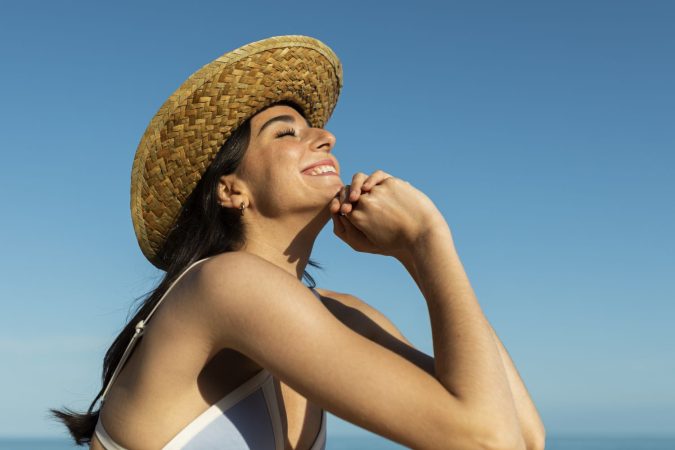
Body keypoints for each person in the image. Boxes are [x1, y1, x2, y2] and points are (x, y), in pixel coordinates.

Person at [52, 35, 545, 450]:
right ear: (231, 190)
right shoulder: (225, 284)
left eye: (316, 129)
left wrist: (418, 257)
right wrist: (428, 239)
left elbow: (523, 436)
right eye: (285, 132)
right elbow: (487, 441)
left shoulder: (340, 313)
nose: (325, 137)